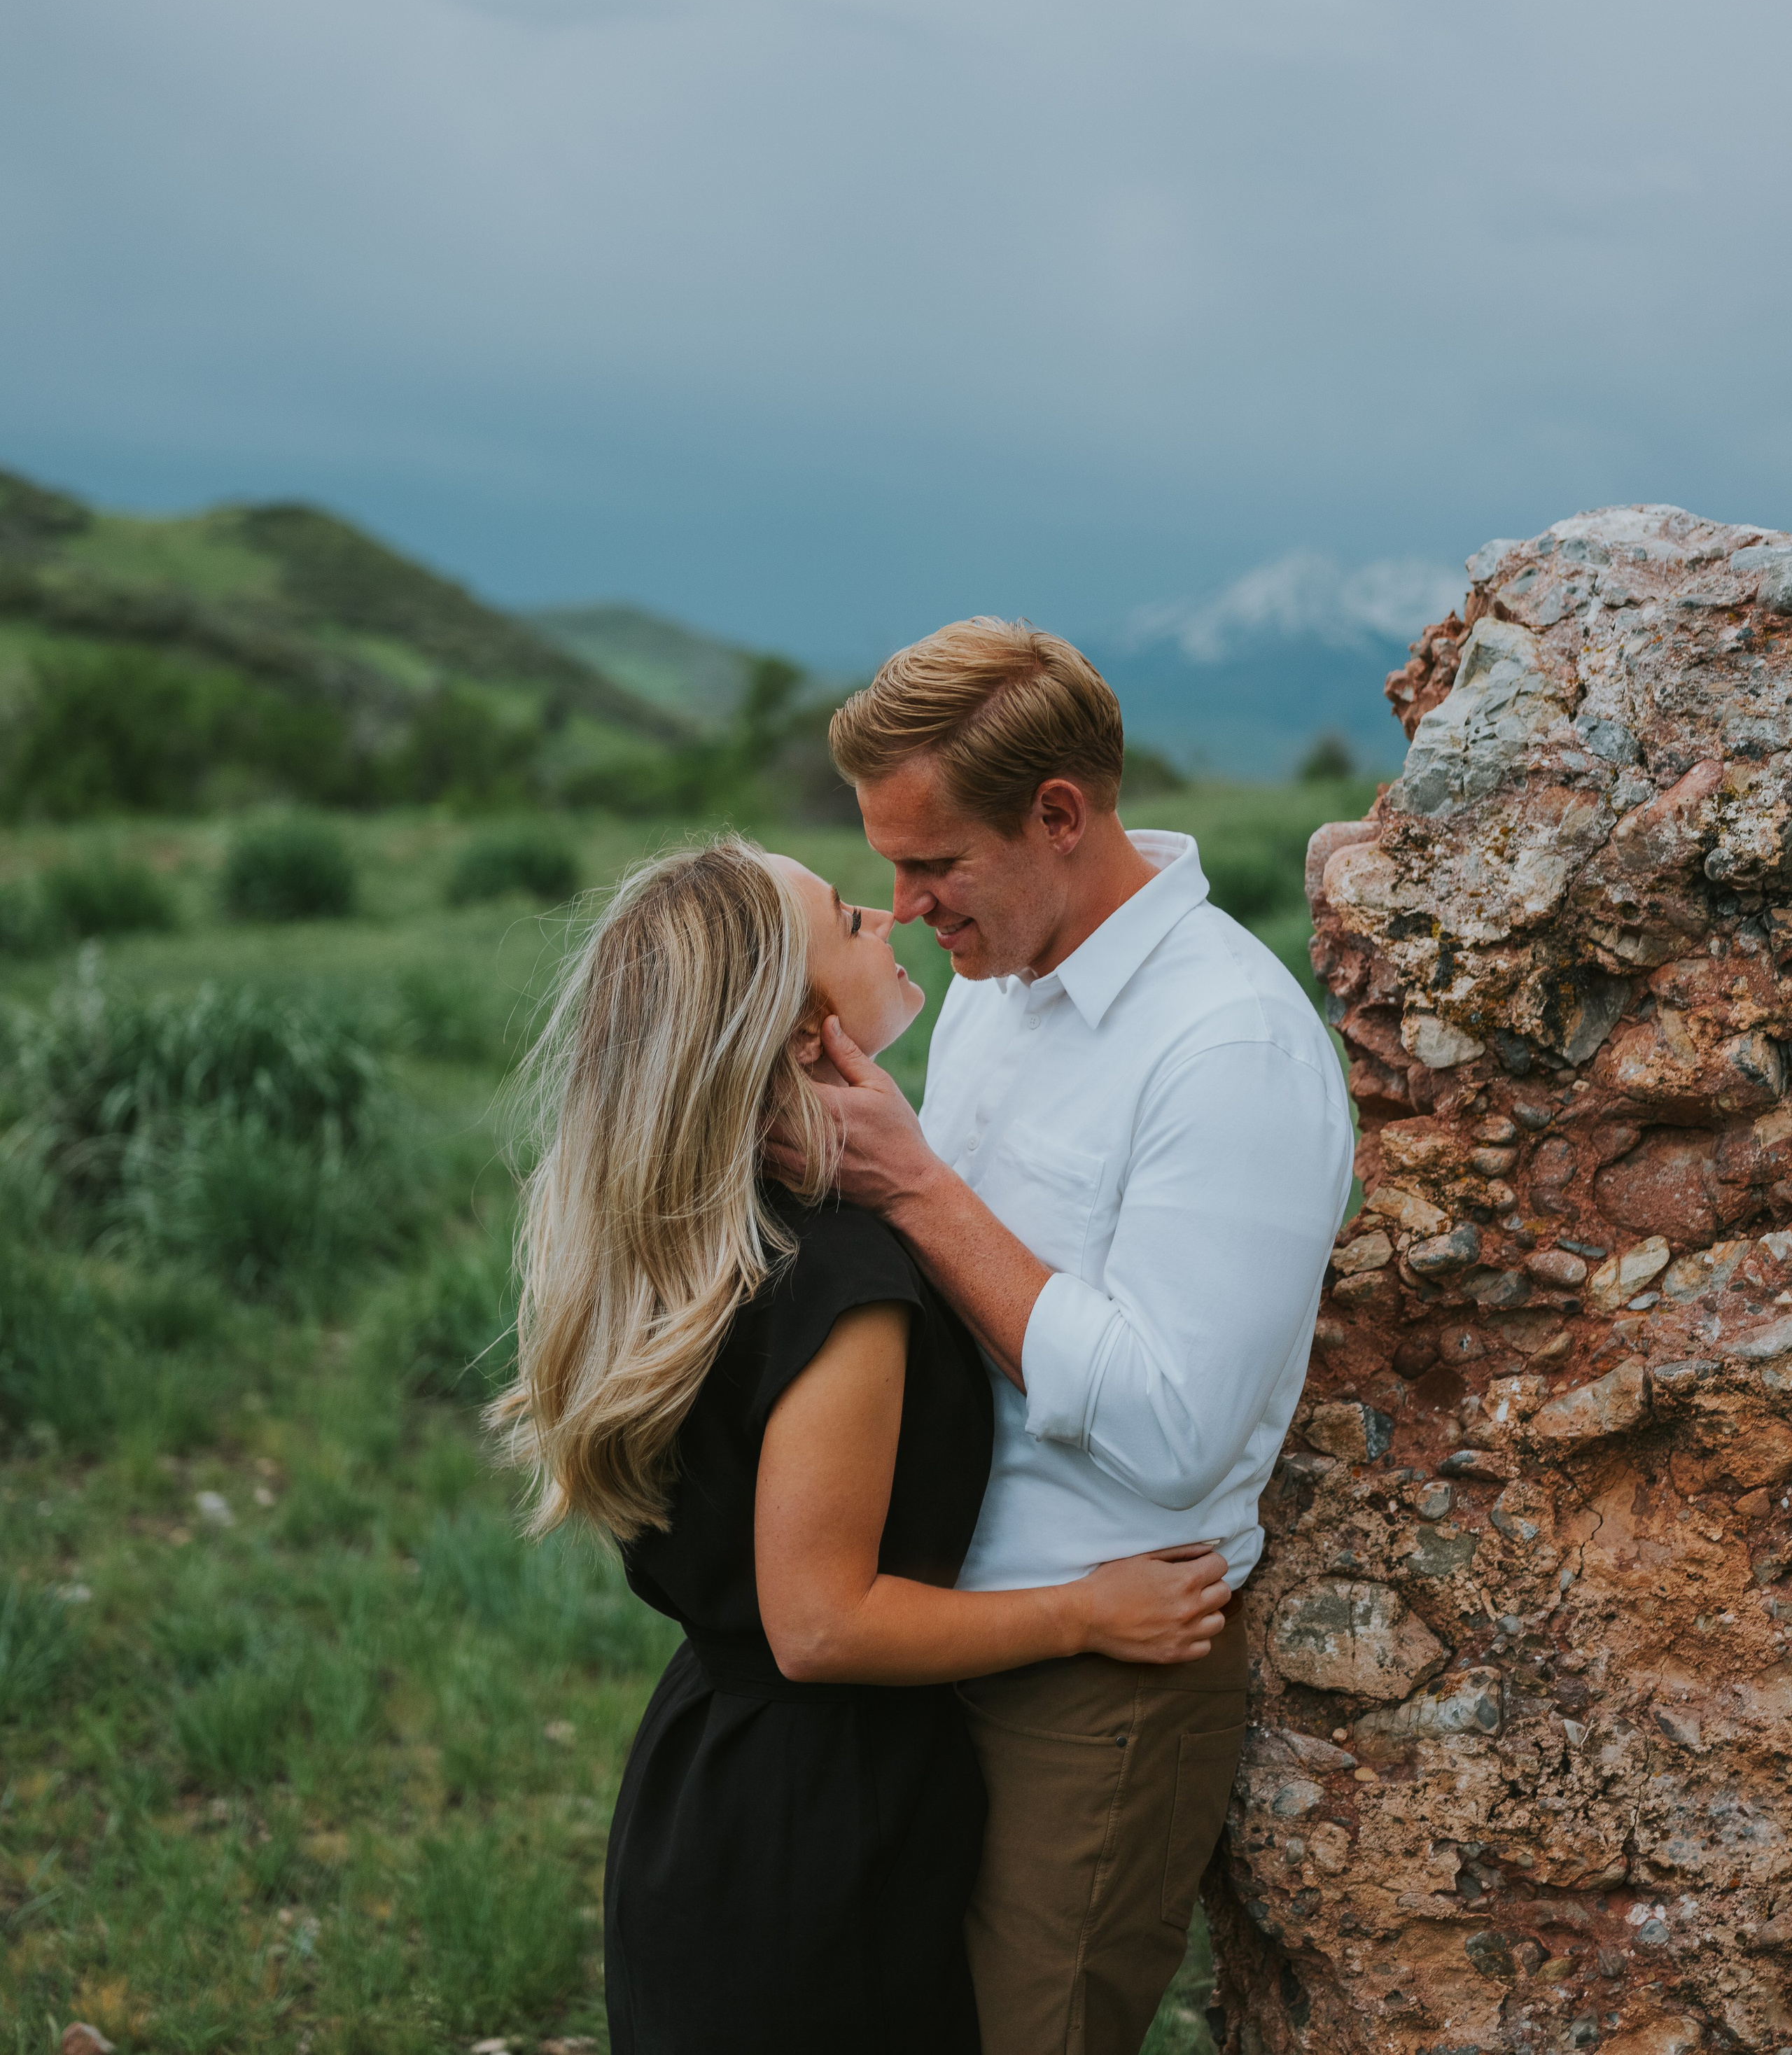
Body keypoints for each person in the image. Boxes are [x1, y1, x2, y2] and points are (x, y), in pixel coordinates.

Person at [491, 835, 1234, 2055]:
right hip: (819, 1823)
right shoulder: (841, 1281)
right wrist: (1089, 1612)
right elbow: (822, 1621)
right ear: (796, 1035)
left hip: (709, 1780)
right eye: (847, 918)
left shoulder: (714, 1232)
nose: (887, 919)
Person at [799, 619, 1356, 2055]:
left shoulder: (1221, 1045)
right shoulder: (998, 982)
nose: (908, 907)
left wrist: (915, 1187)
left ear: (1059, 815)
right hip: (934, 1626)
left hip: (1093, 1688)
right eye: (889, 868)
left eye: (933, 866)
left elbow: (1174, 1435)